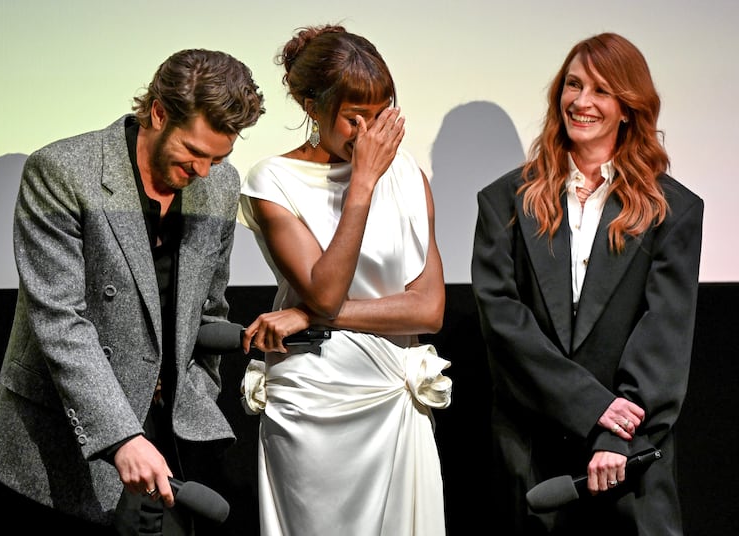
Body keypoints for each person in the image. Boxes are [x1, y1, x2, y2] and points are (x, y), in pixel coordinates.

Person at [0, 49, 264, 535]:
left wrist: (194, 400)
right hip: (65, 437)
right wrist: (120, 436)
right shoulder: (64, 171)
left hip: (167, 435)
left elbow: (207, 309)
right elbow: (60, 322)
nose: (203, 170)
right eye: (194, 151)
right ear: (158, 112)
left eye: (219, 156)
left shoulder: (219, 184)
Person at [471, 32, 704, 535]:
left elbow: (663, 334)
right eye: (573, 85)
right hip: (532, 452)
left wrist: (616, 436)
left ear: (628, 107)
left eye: (601, 90)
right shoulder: (504, 202)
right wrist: (595, 409)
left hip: (631, 454)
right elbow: (505, 325)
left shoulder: (674, 211)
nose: (582, 101)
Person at [235, 24, 452, 536]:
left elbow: (429, 310)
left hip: (392, 395)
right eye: (356, 119)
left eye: (381, 117)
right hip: (314, 404)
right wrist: (362, 184)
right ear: (312, 107)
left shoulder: (408, 175)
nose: (371, 135)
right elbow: (327, 288)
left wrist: (309, 316)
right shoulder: (272, 181)